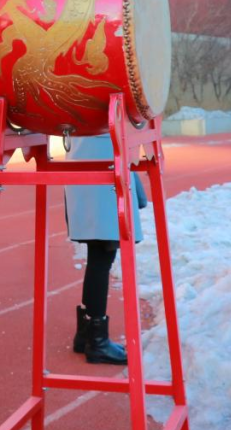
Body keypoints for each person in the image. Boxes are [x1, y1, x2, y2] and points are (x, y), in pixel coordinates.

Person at [64, 134, 148, 365]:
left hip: (83, 158)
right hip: (105, 160)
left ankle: (87, 333)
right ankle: (97, 341)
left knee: (97, 256)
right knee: (102, 257)